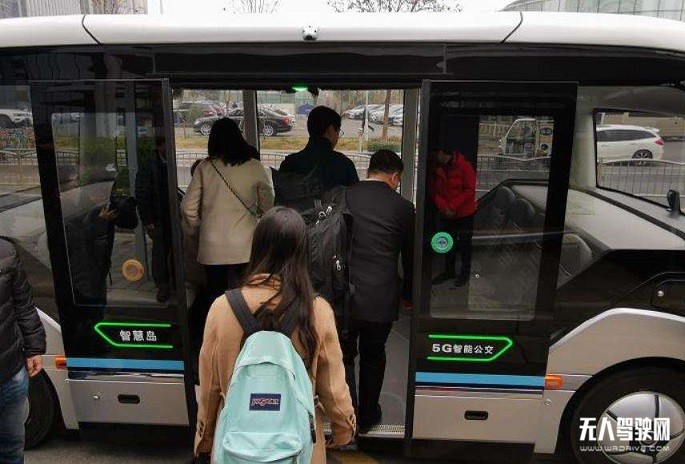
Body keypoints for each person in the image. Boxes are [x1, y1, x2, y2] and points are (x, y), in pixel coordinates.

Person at [194, 207, 356, 463]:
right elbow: (333, 389)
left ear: (256, 248)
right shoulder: (317, 311)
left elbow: (210, 387)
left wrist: (205, 438)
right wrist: (343, 431)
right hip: (299, 449)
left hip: (235, 447)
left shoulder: (222, 308)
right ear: (302, 253)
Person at [342, 150, 415, 434]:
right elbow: (410, 258)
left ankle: (347, 415)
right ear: (395, 176)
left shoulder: (344, 196)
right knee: (373, 355)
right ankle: (368, 415)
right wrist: (409, 295)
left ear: (369, 171)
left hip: (345, 293)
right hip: (381, 296)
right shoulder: (404, 208)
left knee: (345, 356)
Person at [181, 118, 274, 300]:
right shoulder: (254, 166)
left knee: (216, 295)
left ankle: (220, 319)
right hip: (245, 245)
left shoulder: (204, 167)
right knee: (247, 294)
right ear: (239, 138)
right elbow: (268, 205)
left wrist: (196, 229)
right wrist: (258, 221)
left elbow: (187, 207)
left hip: (212, 245)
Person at [0, 237, 46, 464]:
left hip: (11, 374)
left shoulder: (5, 252)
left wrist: (34, 348)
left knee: (12, 449)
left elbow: (23, 304)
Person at [428, 148, 477, 287]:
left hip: (464, 214)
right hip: (447, 213)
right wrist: (445, 207)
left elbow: (470, 190)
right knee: (447, 242)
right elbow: (432, 189)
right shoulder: (436, 168)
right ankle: (449, 271)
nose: (434, 156)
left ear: (442, 153)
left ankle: (464, 273)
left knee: (465, 245)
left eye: (436, 153)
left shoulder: (464, 166)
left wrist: (452, 207)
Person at [279, 106, 359, 190]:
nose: (338, 137)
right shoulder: (344, 165)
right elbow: (356, 195)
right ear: (331, 130)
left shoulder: (289, 164)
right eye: (338, 132)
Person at [136, 137, 173, 302]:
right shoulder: (149, 165)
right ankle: (163, 285)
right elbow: (142, 194)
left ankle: (175, 282)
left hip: (171, 216)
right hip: (157, 218)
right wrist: (147, 220)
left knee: (174, 250)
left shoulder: (169, 163)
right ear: (160, 146)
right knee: (160, 252)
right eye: (166, 144)